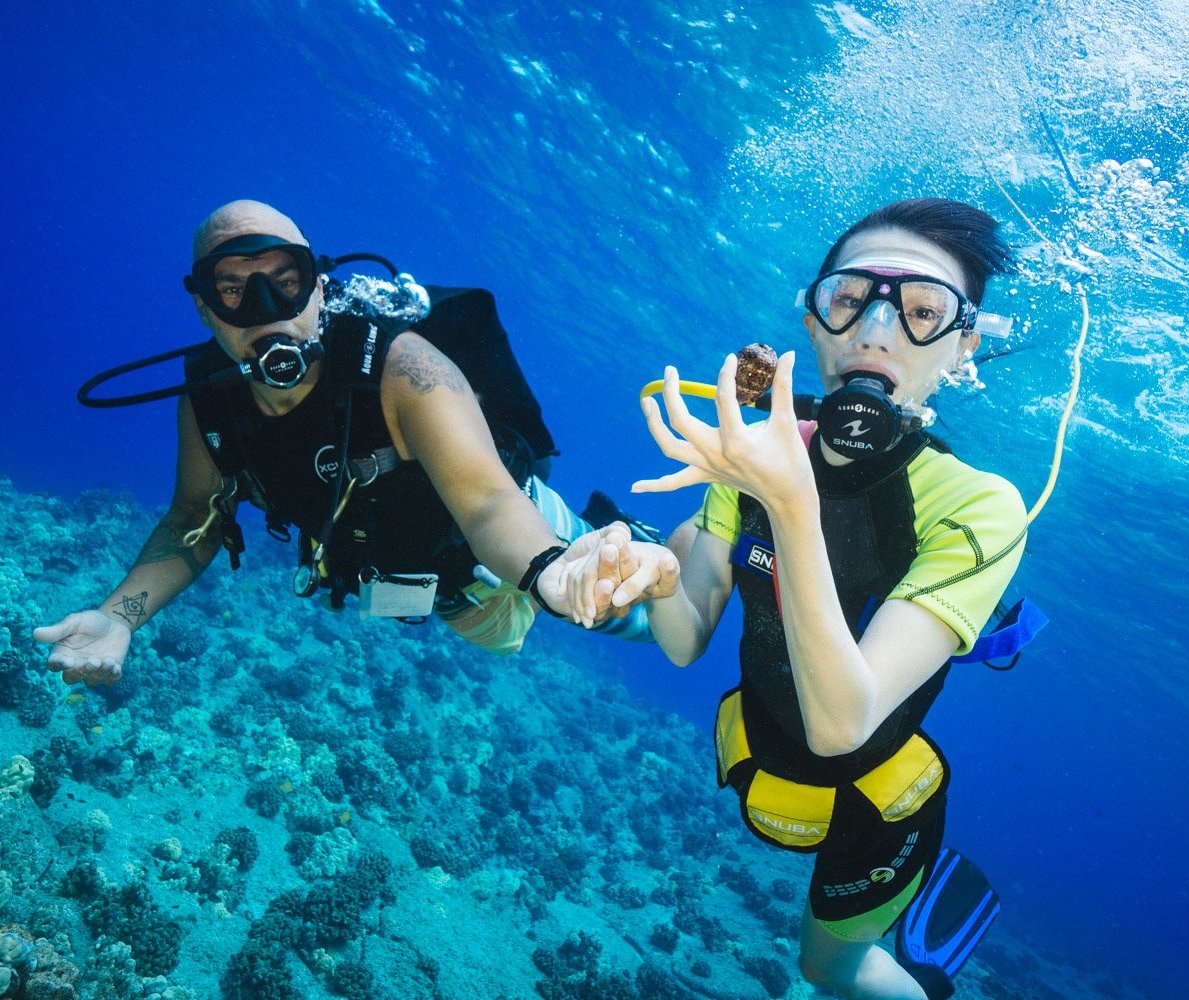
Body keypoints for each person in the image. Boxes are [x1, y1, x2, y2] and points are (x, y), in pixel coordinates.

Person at [568, 199, 1029, 999]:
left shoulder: (980, 505)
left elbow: (843, 724)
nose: (875, 334)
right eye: (849, 300)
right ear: (812, 322)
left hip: (880, 805)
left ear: (964, 349)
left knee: (825, 970)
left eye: (922, 313)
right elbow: (682, 640)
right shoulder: (743, 454)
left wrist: (788, 502)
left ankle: (924, 973)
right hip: (765, 757)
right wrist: (651, 573)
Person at [35, 199, 651, 685]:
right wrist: (119, 616)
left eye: (286, 280)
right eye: (233, 288)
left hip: (507, 551)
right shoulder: (208, 405)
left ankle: (633, 536)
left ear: (320, 289)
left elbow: (487, 502)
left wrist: (551, 566)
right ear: (203, 308)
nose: (266, 309)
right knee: (502, 640)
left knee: (633, 611)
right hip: (441, 600)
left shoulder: (402, 369)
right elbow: (193, 519)